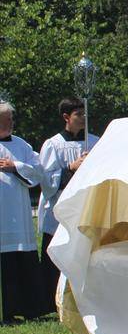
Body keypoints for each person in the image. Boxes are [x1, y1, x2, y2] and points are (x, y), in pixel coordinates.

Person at [38, 97, 99, 312]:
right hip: (59, 208)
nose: (83, 118)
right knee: (55, 253)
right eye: (78, 115)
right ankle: (50, 303)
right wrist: (71, 168)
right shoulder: (53, 145)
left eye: (85, 114)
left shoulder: (94, 141)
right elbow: (46, 181)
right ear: (66, 117)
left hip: (84, 206)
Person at [0, 101, 45, 322]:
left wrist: (15, 166)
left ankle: (29, 308)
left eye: (11, 118)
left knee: (21, 260)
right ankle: (6, 312)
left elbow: (37, 172)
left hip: (19, 214)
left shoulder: (22, 145)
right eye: (7, 119)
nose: (12, 123)